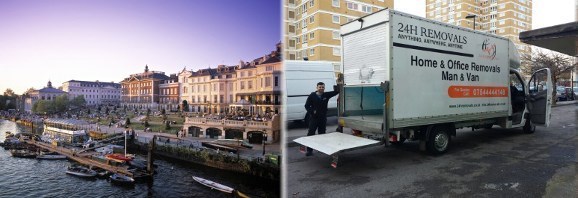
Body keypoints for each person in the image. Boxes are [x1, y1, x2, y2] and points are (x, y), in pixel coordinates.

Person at [303, 82, 339, 156]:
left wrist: (338, 85)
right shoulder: (312, 95)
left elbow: (336, 92)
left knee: (322, 134)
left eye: (323, 87)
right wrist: (312, 112)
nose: (321, 88)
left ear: (324, 88)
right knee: (311, 133)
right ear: (317, 88)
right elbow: (306, 106)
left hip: (322, 118)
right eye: (320, 87)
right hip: (314, 118)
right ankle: (309, 150)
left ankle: (321, 149)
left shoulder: (326, 95)